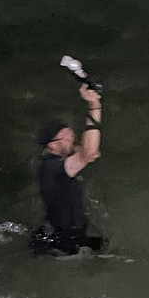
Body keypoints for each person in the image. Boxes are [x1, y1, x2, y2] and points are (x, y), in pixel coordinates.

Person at [31, 83, 104, 255]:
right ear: (52, 145)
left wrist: (86, 151)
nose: (72, 136)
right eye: (65, 136)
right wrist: (94, 106)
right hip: (67, 239)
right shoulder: (54, 167)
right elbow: (90, 152)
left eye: (70, 132)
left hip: (56, 232)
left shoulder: (52, 157)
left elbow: (90, 152)